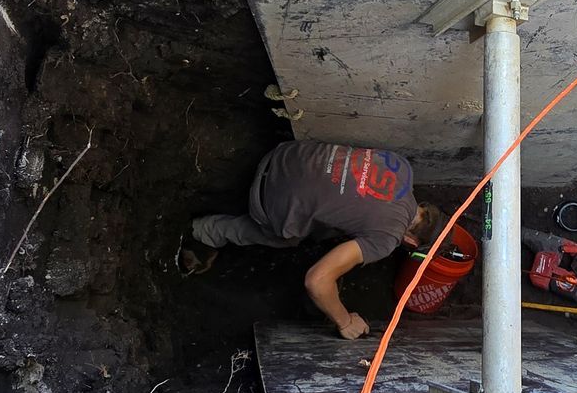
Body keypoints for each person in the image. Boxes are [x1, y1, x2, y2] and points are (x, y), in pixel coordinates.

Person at [188, 141, 439, 341]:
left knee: (333, 209)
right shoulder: (387, 238)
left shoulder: (402, 166)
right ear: (411, 242)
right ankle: (205, 232)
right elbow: (316, 280)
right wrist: (345, 321)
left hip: (283, 154)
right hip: (267, 198)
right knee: (286, 238)